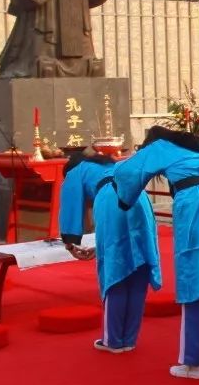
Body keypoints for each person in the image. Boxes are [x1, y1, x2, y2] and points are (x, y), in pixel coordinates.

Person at [113, 126, 199, 379]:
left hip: (195, 206)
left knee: (195, 279)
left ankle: (194, 361)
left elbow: (128, 172)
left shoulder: (159, 147)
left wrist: (124, 199)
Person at [58, 149, 161, 353]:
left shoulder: (75, 170)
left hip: (110, 199)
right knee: (138, 266)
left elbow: (70, 204)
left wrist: (70, 242)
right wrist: (99, 247)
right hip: (140, 198)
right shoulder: (109, 165)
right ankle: (129, 339)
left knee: (115, 272)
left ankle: (113, 340)